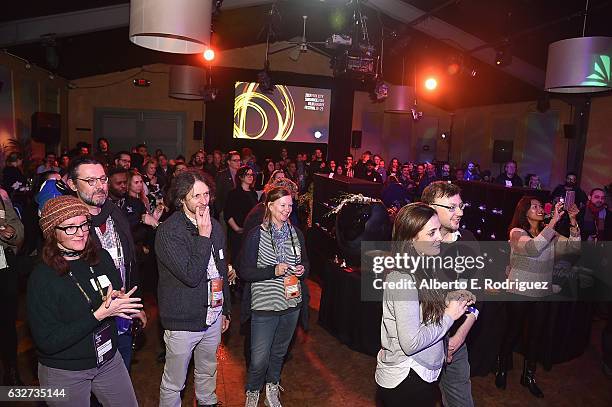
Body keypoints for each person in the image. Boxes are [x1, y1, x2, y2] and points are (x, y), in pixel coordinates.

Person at [27, 196, 142, 406]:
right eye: (70, 227)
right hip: (64, 370)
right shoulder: (42, 278)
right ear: (52, 232)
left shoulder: (102, 258)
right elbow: (47, 342)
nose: (80, 232)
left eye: (83, 224)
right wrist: (99, 314)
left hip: (107, 358)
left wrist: (120, 301)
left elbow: (112, 292)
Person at [376, 203, 471, 406]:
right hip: (406, 379)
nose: (439, 237)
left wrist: (450, 299)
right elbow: (411, 343)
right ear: (411, 240)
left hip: (419, 375)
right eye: (431, 233)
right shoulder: (402, 278)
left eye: (438, 230)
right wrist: (449, 316)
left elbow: (420, 307)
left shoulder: (423, 265)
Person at [155, 169, 232, 407]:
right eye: (196, 196)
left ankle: (208, 402)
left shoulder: (214, 226)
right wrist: (203, 235)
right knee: (174, 382)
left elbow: (220, 270)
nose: (203, 201)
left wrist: (225, 309)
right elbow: (191, 275)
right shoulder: (169, 232)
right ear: (181, 200)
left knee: (208, 370)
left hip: (213, 315)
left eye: (206, 194)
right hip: (182, 321)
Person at [495, 196, 580, 398]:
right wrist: (552, 223)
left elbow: (573, 248)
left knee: (535, 335)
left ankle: (528, 376)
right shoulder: (516, 232)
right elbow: (532, 248)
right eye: (534, 207)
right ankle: (501, 368)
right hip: (519, 290)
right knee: (512, 332)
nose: (540, 209)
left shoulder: (550, 234)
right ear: (525, 212)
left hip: (541, 291)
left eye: (541, 206)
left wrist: (574, 221)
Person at [67, 157, 146, 371]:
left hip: (122, 318)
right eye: (90, 181)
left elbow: (129, 262)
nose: (100, 186)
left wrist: (134, 304)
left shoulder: (114, 213)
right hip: (88, 327)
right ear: (72, 184)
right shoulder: (67, 226)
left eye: (102, 179)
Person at [239, 186, 309, 407]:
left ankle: (272, 387)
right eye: (282, 205)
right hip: (264, 305)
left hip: (291, 304)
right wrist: (273, 271)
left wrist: (302, 270)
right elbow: (245, 271)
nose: (287, 210)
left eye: (290, 205)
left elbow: (306, 263)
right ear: (269, 206)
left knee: (279, 353)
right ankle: (252, 391)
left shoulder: (296, 233)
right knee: (259, 358)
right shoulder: (256, 235)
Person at [421, 181, 478, 407]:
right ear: (430, 208)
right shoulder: (417, 244)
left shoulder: (469, 240)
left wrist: (460, 336)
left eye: (461, 206)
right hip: (421, 341)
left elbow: (477, 291)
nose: (460, 212)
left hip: (456, 339)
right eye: (452, 207)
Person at [0, 188, 24, 385]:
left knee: (7, 322)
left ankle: (11, 370)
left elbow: (17, 225)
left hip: (3, 265)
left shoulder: (1, 196)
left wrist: (13, 232)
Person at [224, 166, 258, 260]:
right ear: (240, 177)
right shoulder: (233, 193)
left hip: (251, 232)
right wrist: (237, 229)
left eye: (252, 174)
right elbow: (228, 213)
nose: (250, 176)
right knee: (238, 258)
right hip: (238, 234)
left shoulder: (253, 193)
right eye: (247, 174)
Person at [215, 151, 242, 220]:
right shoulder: (222, 175)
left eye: (239, 160)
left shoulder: (242, 174)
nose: (238, 162)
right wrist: (220, 210)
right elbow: (217, 193)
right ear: (229, 162)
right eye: (235, 160)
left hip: (239, 209)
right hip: (225, 209)